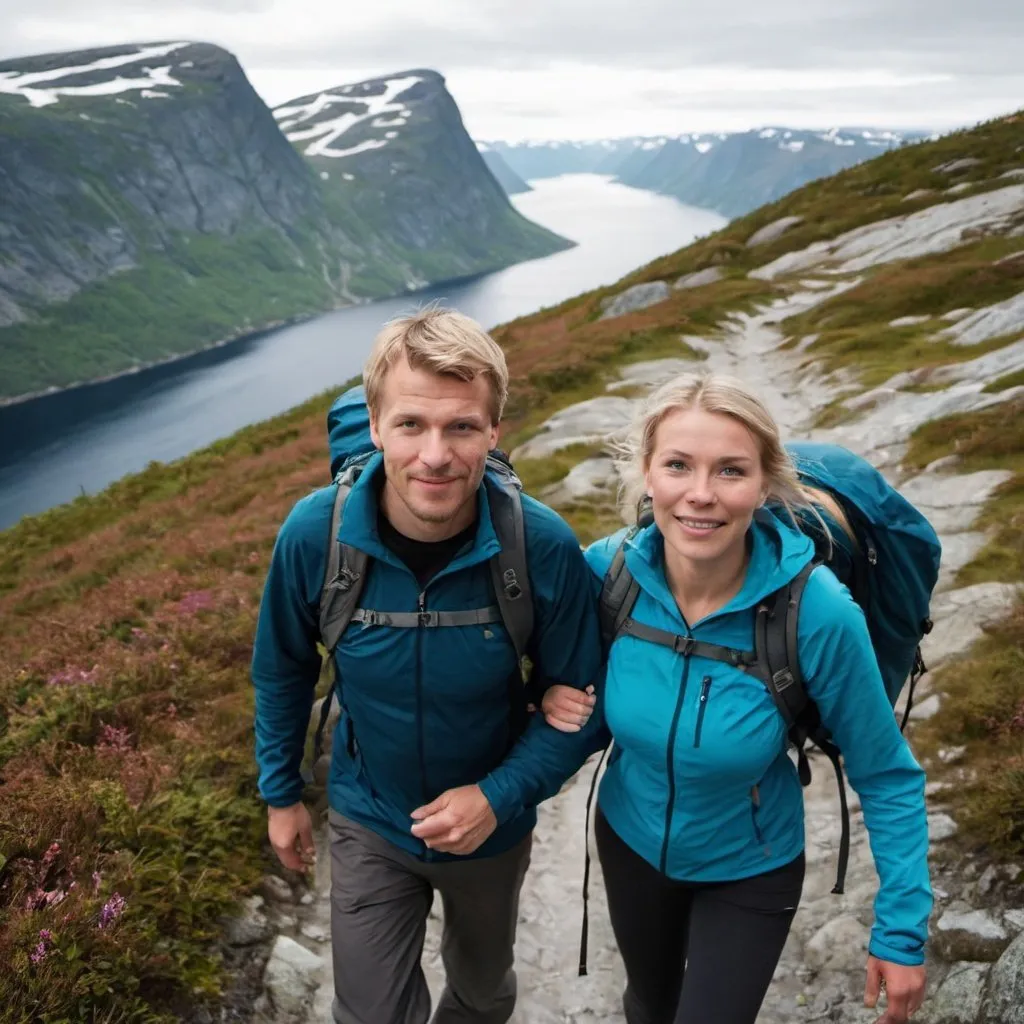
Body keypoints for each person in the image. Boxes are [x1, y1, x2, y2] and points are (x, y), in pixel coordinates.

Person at [543, 371, 932, 1024]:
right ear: (647, 474)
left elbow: (888, 774)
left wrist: (901, 932)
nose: (700, 495)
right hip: (629, 841)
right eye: (678, 465)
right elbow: (533, 662)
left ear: (765, 484)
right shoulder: (609, 574)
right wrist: (549, 694)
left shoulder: (816, 613)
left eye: (730, 471)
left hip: (750, 866)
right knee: (648, 1005)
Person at [250, 307, 603, 1024]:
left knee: (480, 991)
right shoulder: (315, 534)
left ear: (493, 431)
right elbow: (284, 668)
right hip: (367, 818)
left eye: (461, 427)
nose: (435, 455)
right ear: (376, 426)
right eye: (411, 425)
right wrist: (280, 791)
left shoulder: (539, 546)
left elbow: (585, 701)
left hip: (492, 831)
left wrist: (499, 795)